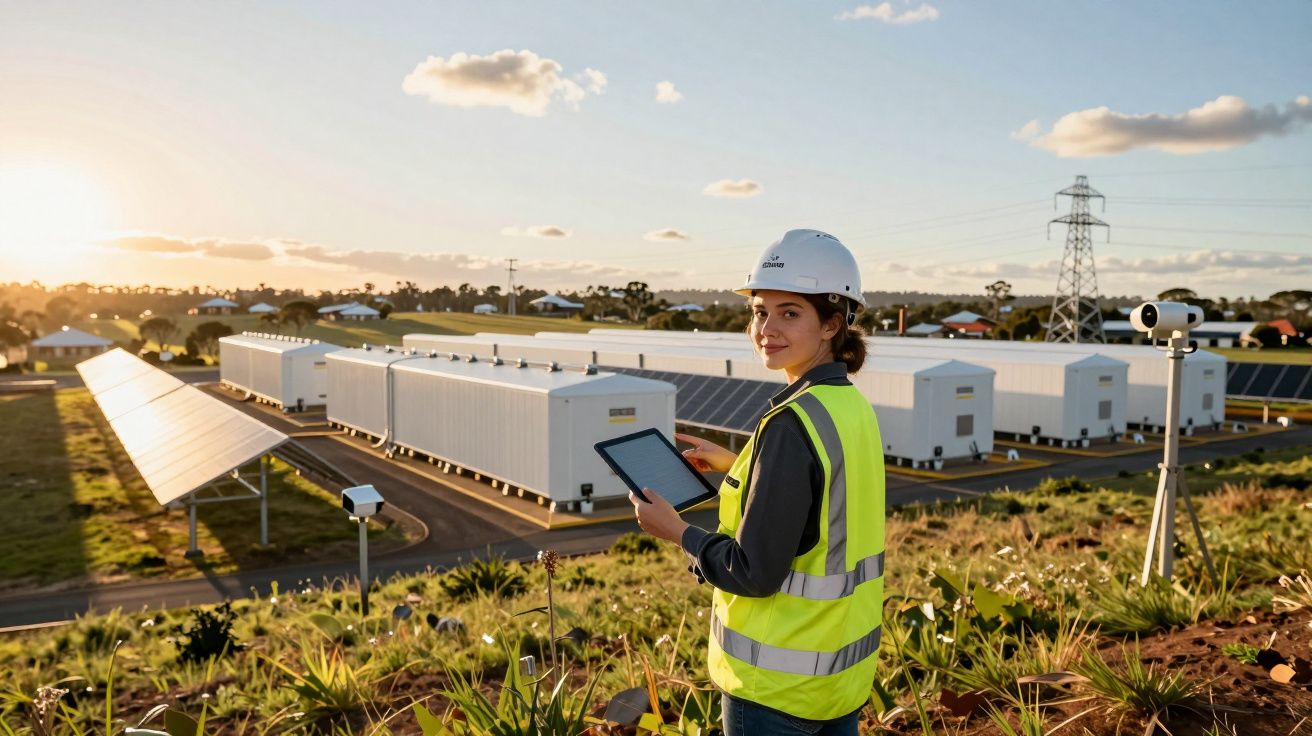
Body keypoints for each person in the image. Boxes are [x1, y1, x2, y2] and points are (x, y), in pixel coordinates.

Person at [629, 229, 886, 736]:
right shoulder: (849, 406)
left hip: (774, 693)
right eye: (759, 311)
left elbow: (752, 572)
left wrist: (677, 532)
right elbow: (823, 500)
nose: (766, 328)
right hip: (839, 683)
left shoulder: (790, 425)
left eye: (790, 312)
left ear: (833, 323)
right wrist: (740, 465)